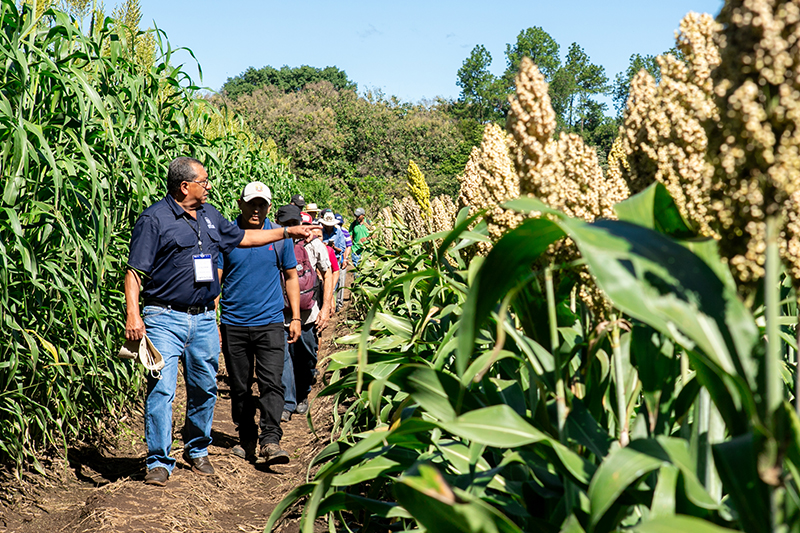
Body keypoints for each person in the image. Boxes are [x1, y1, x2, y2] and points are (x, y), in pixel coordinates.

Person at [124, 157, 315, 487]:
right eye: (204, 181)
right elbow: (134, 271)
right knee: (163, 389)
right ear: (185, 186)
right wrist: (133, 313)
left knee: (204, 388)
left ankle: (197, 449)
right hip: (164, 316)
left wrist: (286, 231)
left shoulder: (211, 216)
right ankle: (158, 460)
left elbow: (244, 238)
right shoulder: (154, 219)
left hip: (203, 319)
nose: (209, 186)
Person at [216, 181, 299, 465]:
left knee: (271, 383)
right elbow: (216, 279)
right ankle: (246, 437)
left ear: (268, 207)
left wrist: (296, 317)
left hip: (271, 322)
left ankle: (271, 440)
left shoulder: (278, 237)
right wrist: (211, 319)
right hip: (234, 323)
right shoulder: (226, 234)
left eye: (262, 204)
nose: (256, 209)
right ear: (240, 203)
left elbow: (291, 277)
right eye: (251, 203)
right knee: (240, 387)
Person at [275, 205, 333, 421]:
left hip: (308, 314)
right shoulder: (271, 243)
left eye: (294, 223)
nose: (291, 228)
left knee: (306, 357)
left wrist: (326, 307)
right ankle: (288, 402)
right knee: (283, 359)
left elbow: (328, 274)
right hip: (279, 314)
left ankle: (303, 394)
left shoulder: (314, 245)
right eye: (286, 224)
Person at [334, 214, 352, 311]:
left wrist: (345, 258)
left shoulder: (344, 231)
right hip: (333, 260)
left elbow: (348, 246)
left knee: (341, 281)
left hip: (341, 259)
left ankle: (339, 303)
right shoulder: (331, 231)